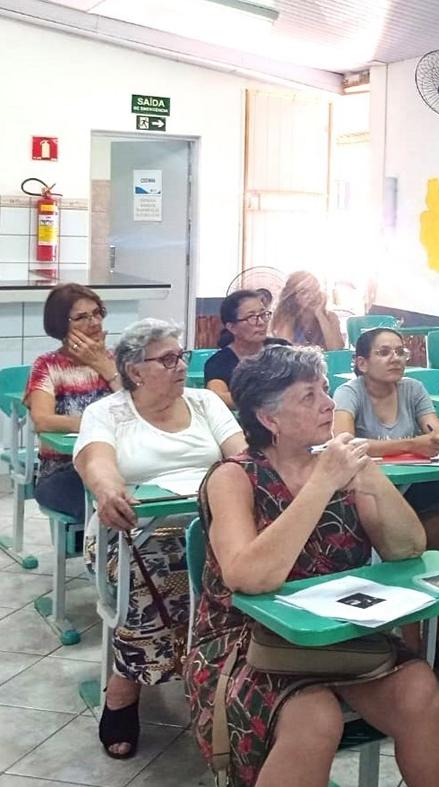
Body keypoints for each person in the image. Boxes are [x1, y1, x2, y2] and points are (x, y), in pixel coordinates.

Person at [186, 345, 439, 787]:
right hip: (249, 641)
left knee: (418, 687)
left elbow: (407, 548)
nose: (329, 404)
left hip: (339, 633)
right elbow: (248, 577)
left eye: (325, 390)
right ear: (269, 419)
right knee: (315, 716)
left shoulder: (339, 465)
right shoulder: (233, 477)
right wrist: (322, 483)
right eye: (308, 397)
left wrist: (369, 476)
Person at [73, 319, 246, 760]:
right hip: (133, 530)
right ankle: (124, 688)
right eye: (167, 359)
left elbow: (241, 457)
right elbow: (97, 461)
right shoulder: (107, 412)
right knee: (153, 567)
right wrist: (108, 489)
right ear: (134, 370)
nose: (180, 366)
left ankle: (236, 680)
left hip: (211, 523)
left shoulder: (205, 402)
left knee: (249, 566)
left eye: (181, 356)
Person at [333, 327, 439, 680]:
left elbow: (434, 432)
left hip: (414, 492)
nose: (396, 359)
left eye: (400, 352)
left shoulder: (412, 389)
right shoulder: (349, 392)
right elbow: (342, 441)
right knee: (400, 552)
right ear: (361, 363)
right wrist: (411, 445)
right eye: (384, 353)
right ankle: (407, 646)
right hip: (367, 497)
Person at [24, 284, 120, 522]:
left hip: (119, 461)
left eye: (97, 313)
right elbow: (43, 421)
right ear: (61, 324)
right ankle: (104, 557)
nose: (95, 322)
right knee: (111, 505)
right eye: (81, 317)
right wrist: (97, 425)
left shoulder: (117, 359)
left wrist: (106, 369)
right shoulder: (47, 365)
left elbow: (139, 408)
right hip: (63, 471)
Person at [204, 289, 288, 408]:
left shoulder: (282, 349)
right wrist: (268, 399)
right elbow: (217, 397)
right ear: (232, 327)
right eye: (252, 317)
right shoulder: (219, 362)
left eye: (263, 314)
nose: (261, 322)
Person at [270, 271, 345, 350]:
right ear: (293, 297)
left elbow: (337, 350)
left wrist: (320, 315)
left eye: (315, 290)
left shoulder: (331, 317)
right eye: (304, 292)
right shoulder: (286, 317)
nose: (311, 295)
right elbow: (286, 350)